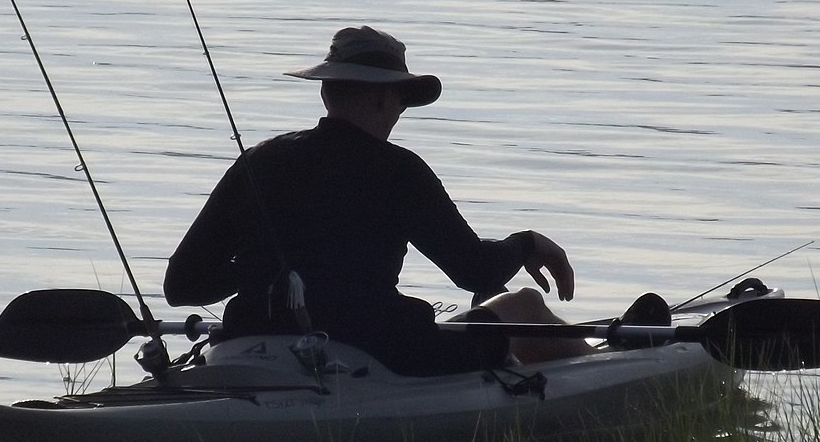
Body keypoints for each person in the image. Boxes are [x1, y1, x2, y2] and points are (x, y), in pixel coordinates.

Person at [163, 25, 587, 375]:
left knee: (506, 307)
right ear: (385, 97)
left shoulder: (258, 161)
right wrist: (527, 243)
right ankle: (608, 371)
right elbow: (474, 271)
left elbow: (183, 285)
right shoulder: (398, 170)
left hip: (245, 345)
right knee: (525, 304)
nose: (400, 111)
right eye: (402, 99)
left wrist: (265, 271)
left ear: (326, 93)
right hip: (379, 352)